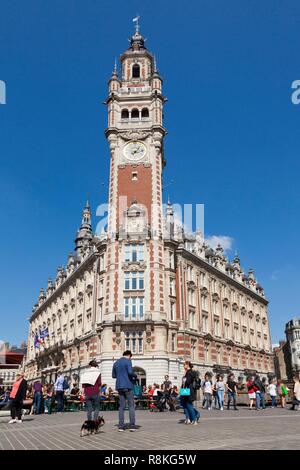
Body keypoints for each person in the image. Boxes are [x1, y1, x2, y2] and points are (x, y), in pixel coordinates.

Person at [112, 350, 137, 432]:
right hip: (128, 385)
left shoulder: (116, 363)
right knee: (131, 406)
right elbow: (130, 372)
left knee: (121, 407)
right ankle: (132, 426)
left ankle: (121, 426)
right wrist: (135, 375)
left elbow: (113, 375)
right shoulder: (128, 361)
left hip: (119, 386)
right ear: (129, 355)